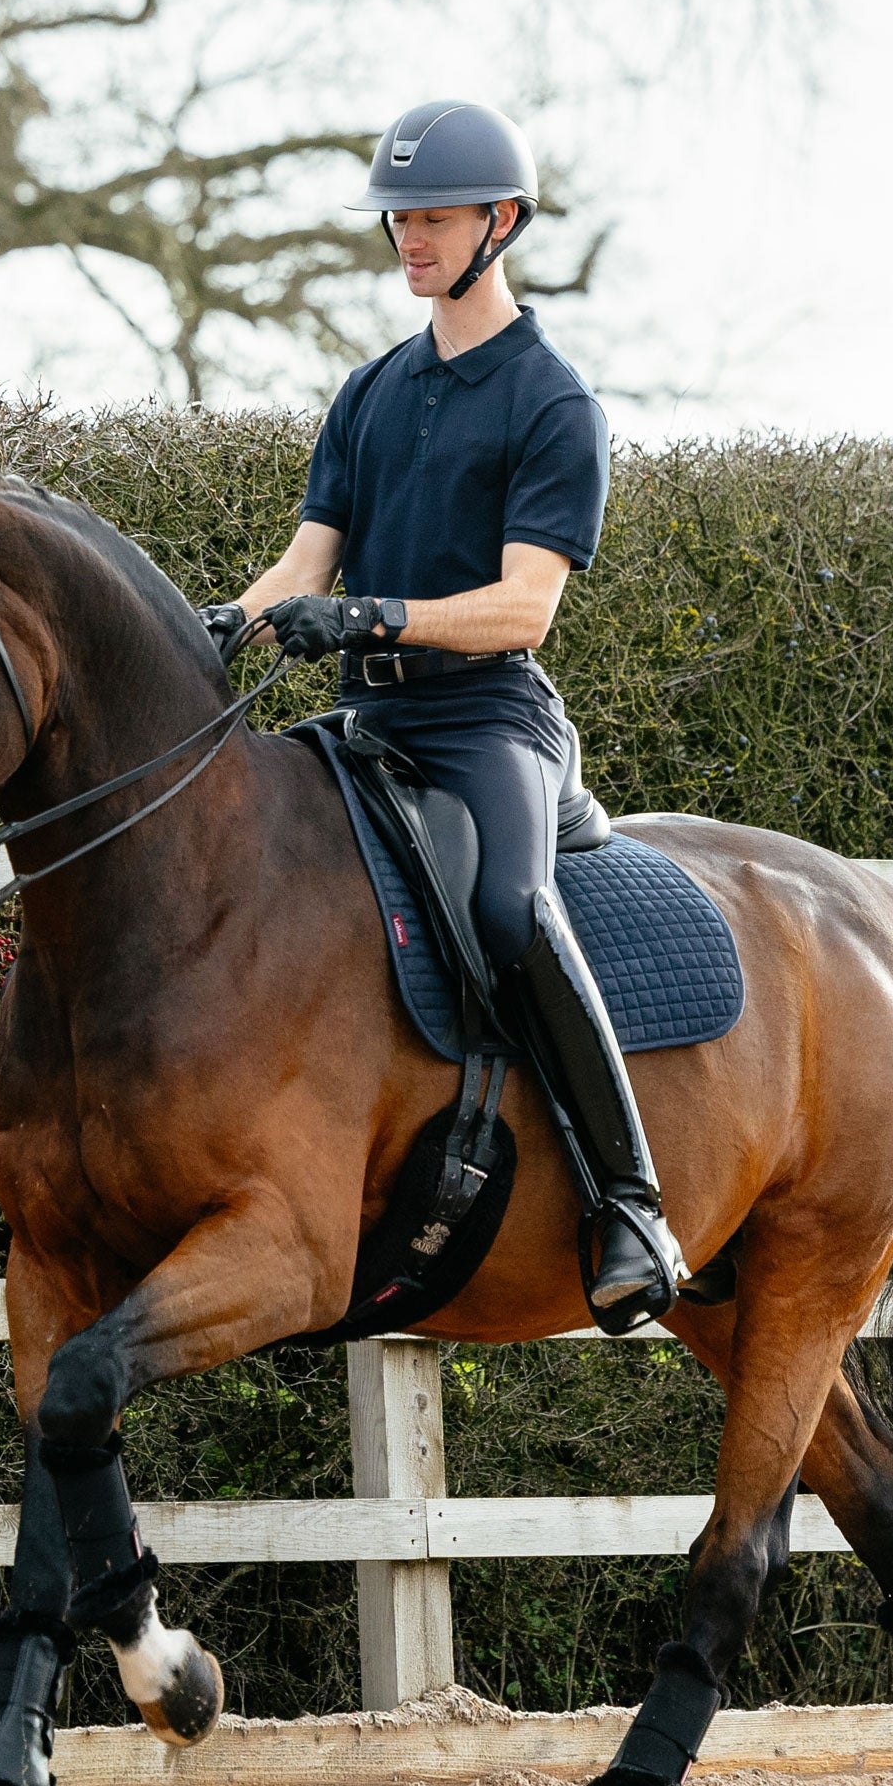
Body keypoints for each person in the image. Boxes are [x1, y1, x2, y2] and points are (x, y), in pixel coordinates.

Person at [201, 98, 686, 1321]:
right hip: (369, 723)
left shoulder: (551, 404)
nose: (409, 239)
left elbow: (525, 610)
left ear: (500, 223)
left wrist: (380, 619)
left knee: (511, 911)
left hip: (484, 724)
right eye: (399, 218)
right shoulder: (369, 392)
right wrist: (221, 629)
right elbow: (306, 561)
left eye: (433, 218)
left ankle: (629, 1198)